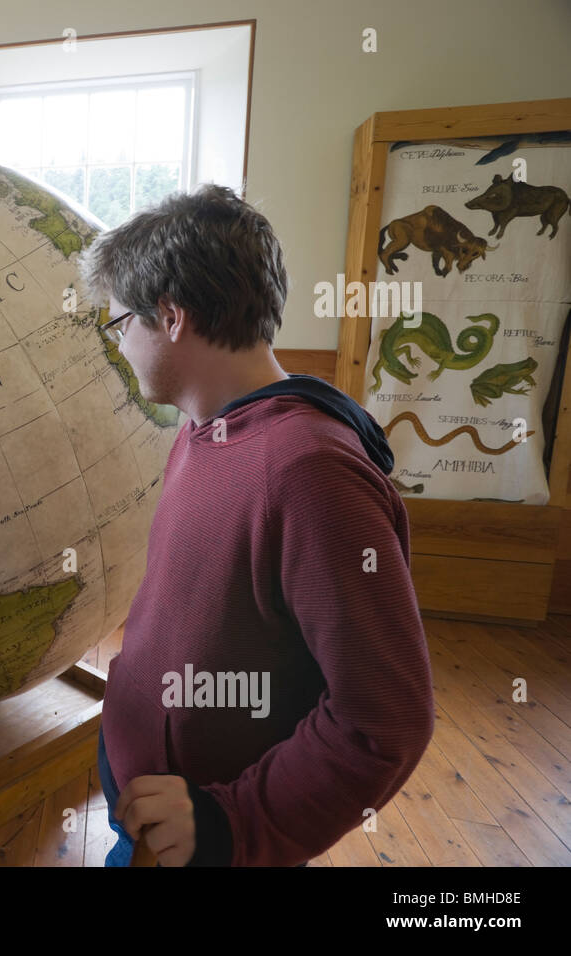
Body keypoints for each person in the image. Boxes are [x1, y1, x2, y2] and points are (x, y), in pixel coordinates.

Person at [79, 185, 433, 867]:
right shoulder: (203, 427)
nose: (118, 345)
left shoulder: (309, 471)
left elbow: (384, 718)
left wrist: (226, 825)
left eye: (119, 323)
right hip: (144, 796)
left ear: (171, 316)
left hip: (206, 831)